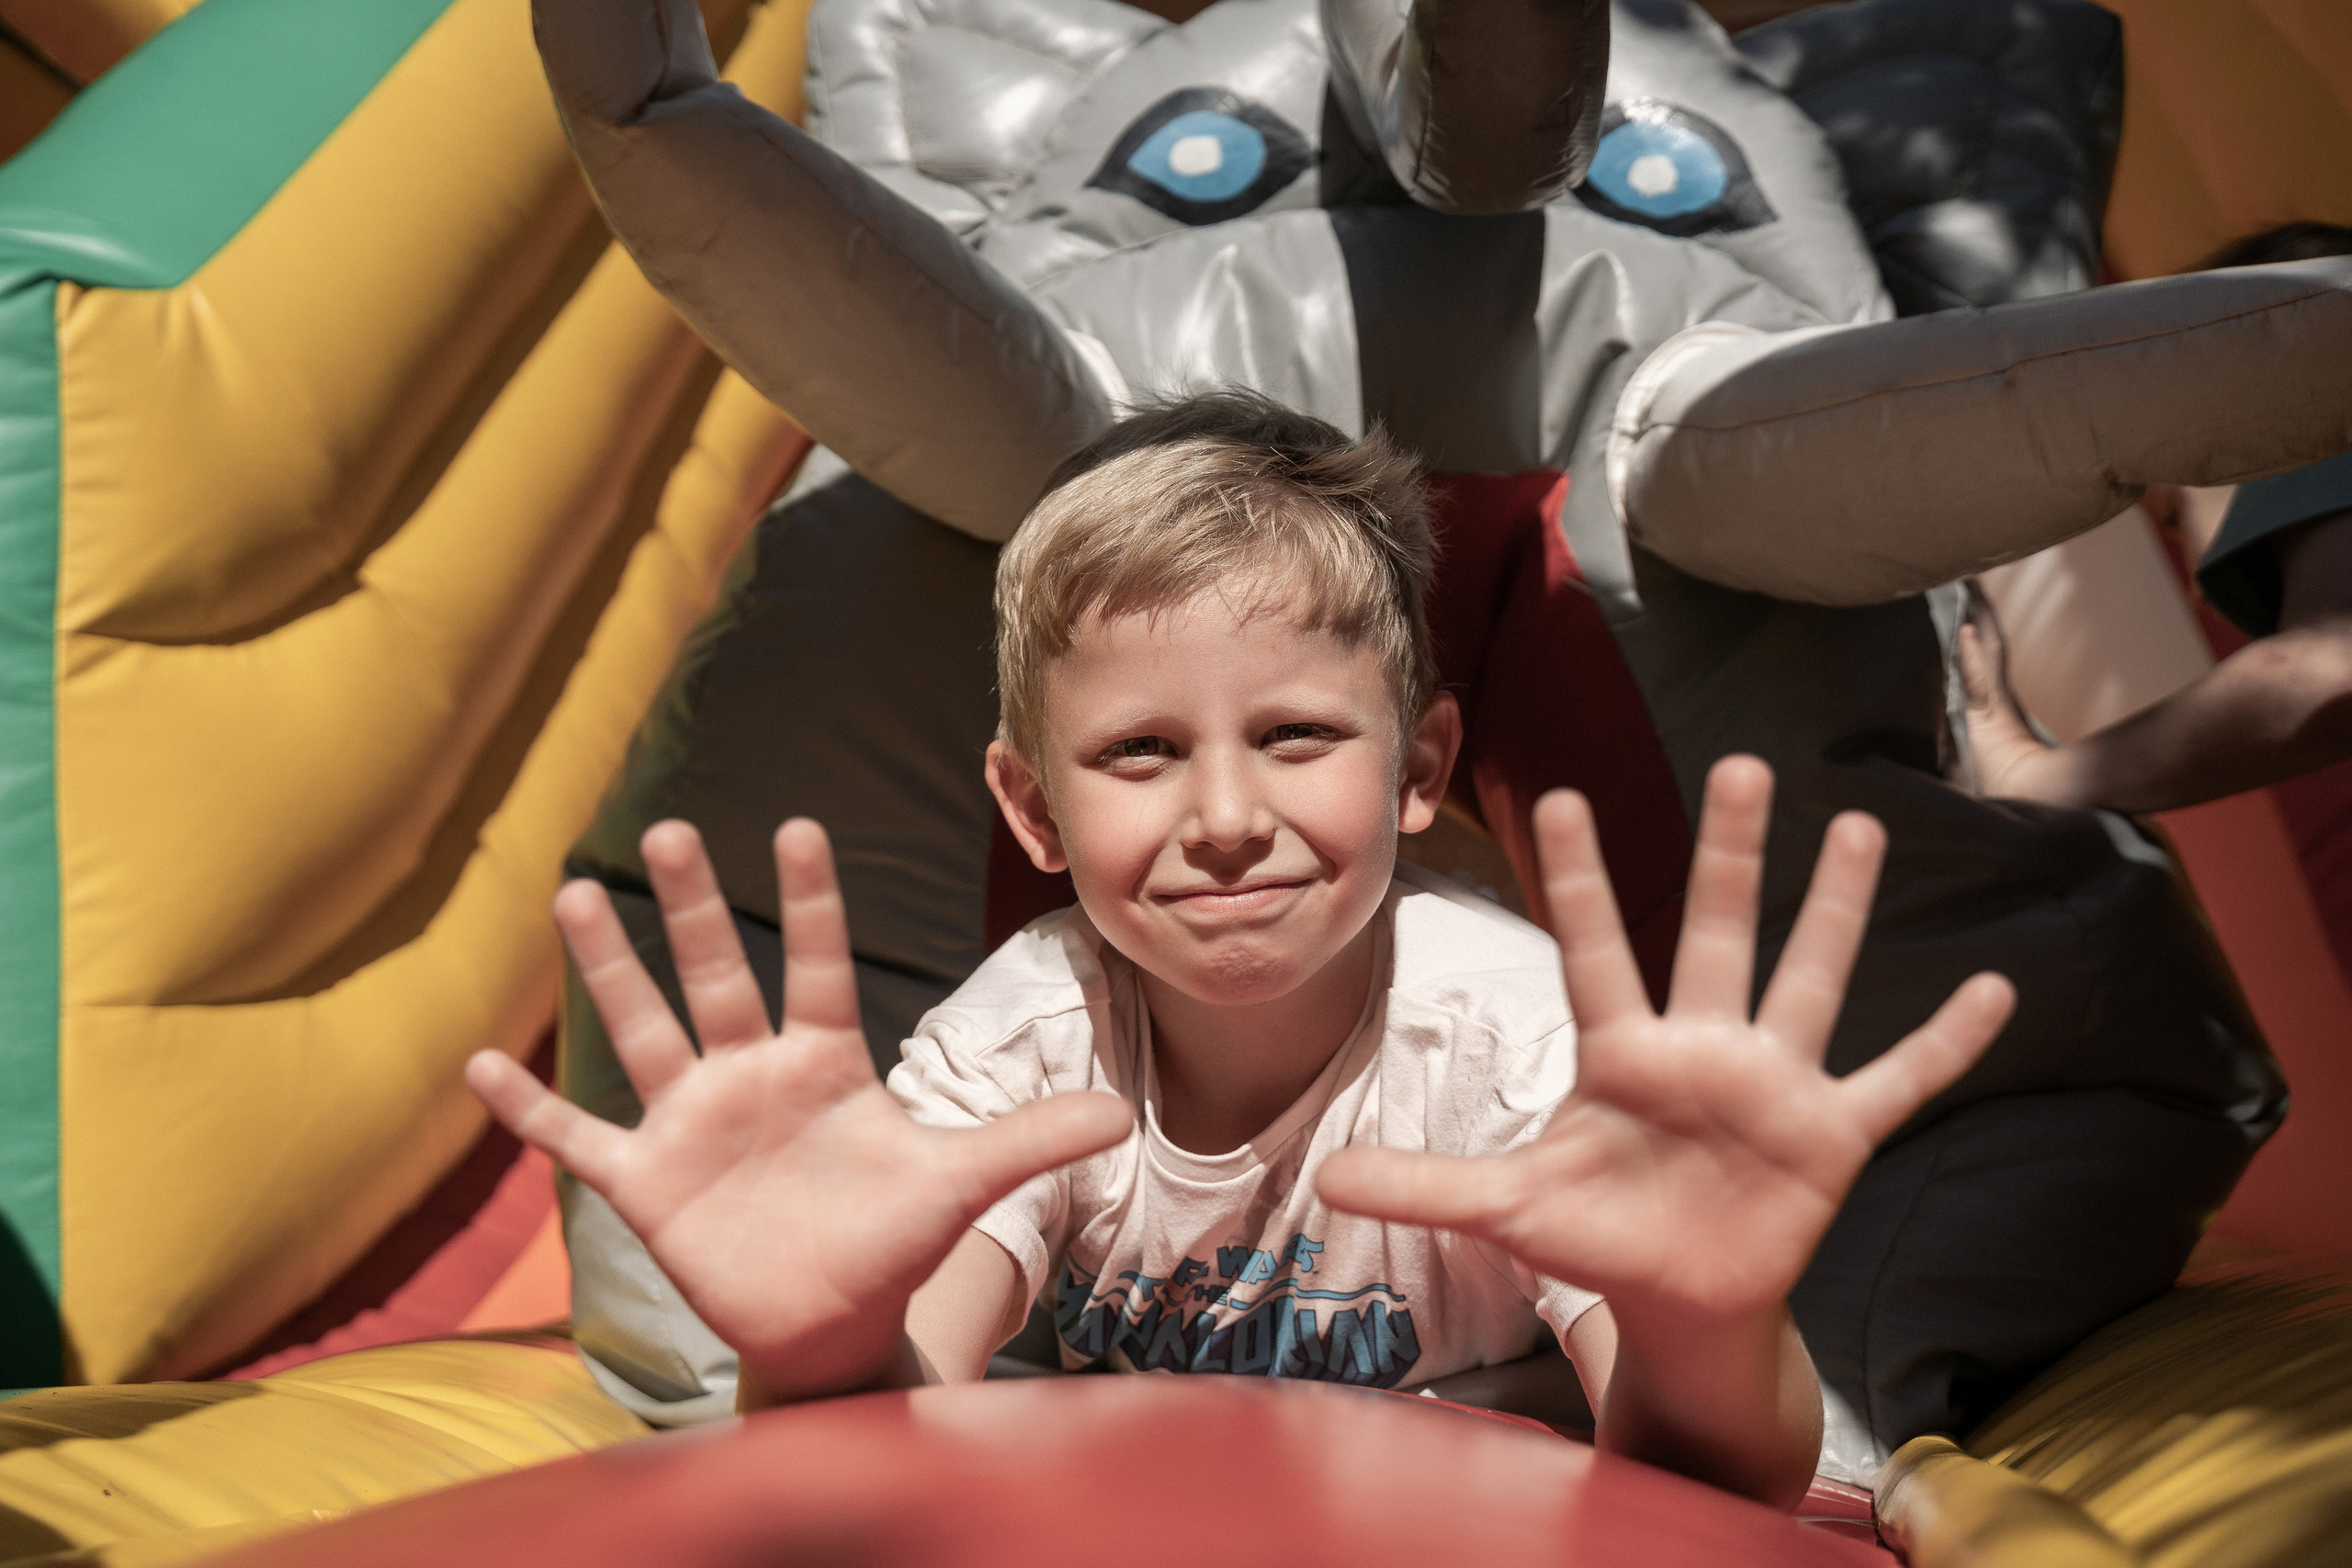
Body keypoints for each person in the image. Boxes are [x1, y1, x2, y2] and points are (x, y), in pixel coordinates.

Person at [468, 392, 2012, 1507]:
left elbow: (1701, 1484)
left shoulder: (1506, 1033)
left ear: (1418, 769)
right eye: (1140, 748)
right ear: (1034, 805)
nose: (1223, 815)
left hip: (1504, 1482)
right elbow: (898, 1417)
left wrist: (1696, 1320)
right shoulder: (1036, 1033)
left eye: (1294, 735)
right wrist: (821, 1346)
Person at [1963, 224, 2352, 813]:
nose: (2198, 589)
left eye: (2173, 512)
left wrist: (2028, 773)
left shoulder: (2312, 398)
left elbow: (2331, 666)